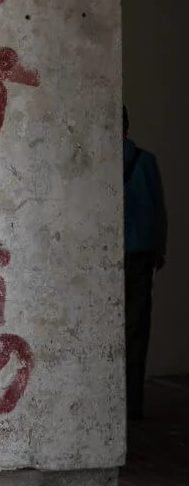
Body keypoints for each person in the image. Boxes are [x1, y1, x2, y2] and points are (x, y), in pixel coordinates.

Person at [123, 105, 167, 421]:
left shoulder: (99, 161)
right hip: (140, 254)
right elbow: (158, 209)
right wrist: (159, 250)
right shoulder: (146, 161)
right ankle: (132, 402)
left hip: (108, 256)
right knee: (136, 329)